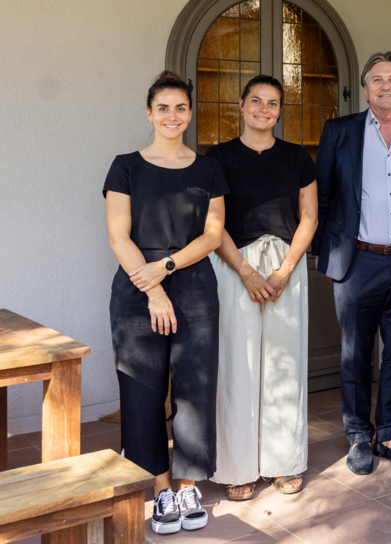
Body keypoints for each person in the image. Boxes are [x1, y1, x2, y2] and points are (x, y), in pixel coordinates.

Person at [104, 71, 226, 534]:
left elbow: (213, 234)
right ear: (149, 113)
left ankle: (188, 483)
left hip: (193, 284)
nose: (172, 116)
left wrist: (168, 269)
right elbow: (118, 235)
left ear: (189, 113)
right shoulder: (126, 166)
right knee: (142, 389)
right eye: (163, 108)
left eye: (180, 108)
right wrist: (153, 288)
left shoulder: (208, 168)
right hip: (137, 288)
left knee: (195, 386)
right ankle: (158, 491)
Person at [313, 52, 391, 475]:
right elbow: (324, 197)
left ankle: (388, 432)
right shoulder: (340, 131)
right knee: (354, 354)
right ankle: (357, 437)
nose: (385, 86)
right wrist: (324, 253)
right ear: (365, 88)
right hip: (357, 261)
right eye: (377, 80)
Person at [206, 75, 318, 500]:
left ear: (279, 111)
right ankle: (237, 467)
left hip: (286, 266)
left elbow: (309, 217)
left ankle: (284, 462)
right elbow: (213, 225)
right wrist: (247, 272)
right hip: (235, 264)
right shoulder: (217, 158)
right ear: (241, 105)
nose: (263, 109)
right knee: (238, 364)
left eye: (272, 103)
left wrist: (286, 269)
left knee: (284, 366)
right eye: (256, 101)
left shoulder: (296, 157)